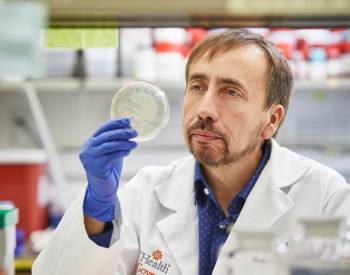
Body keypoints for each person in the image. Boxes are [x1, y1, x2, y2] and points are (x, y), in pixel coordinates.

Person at [32, 29, 350, 275]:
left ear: (271, 120)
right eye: (197, 87)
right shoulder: (146, 193)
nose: (205, 108)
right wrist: (96, 213)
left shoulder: (325, 196)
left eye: (231, 91)